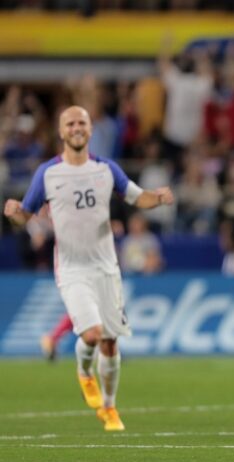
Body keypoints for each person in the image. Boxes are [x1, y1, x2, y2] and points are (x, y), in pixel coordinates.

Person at [4, 106, 174, 432]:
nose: (76, 128)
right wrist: (14, 212)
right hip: (72, 268)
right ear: (61, 131)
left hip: (107, 268)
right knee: (92, 334)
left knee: (111, 344)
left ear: (90, 129)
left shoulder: (106, 169)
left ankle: (109, 407)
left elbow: (137, 197)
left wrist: (159, 197)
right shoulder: (48, 173)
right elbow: (26, 214)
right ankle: (84, 371)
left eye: (81, 122)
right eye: (70, 123)